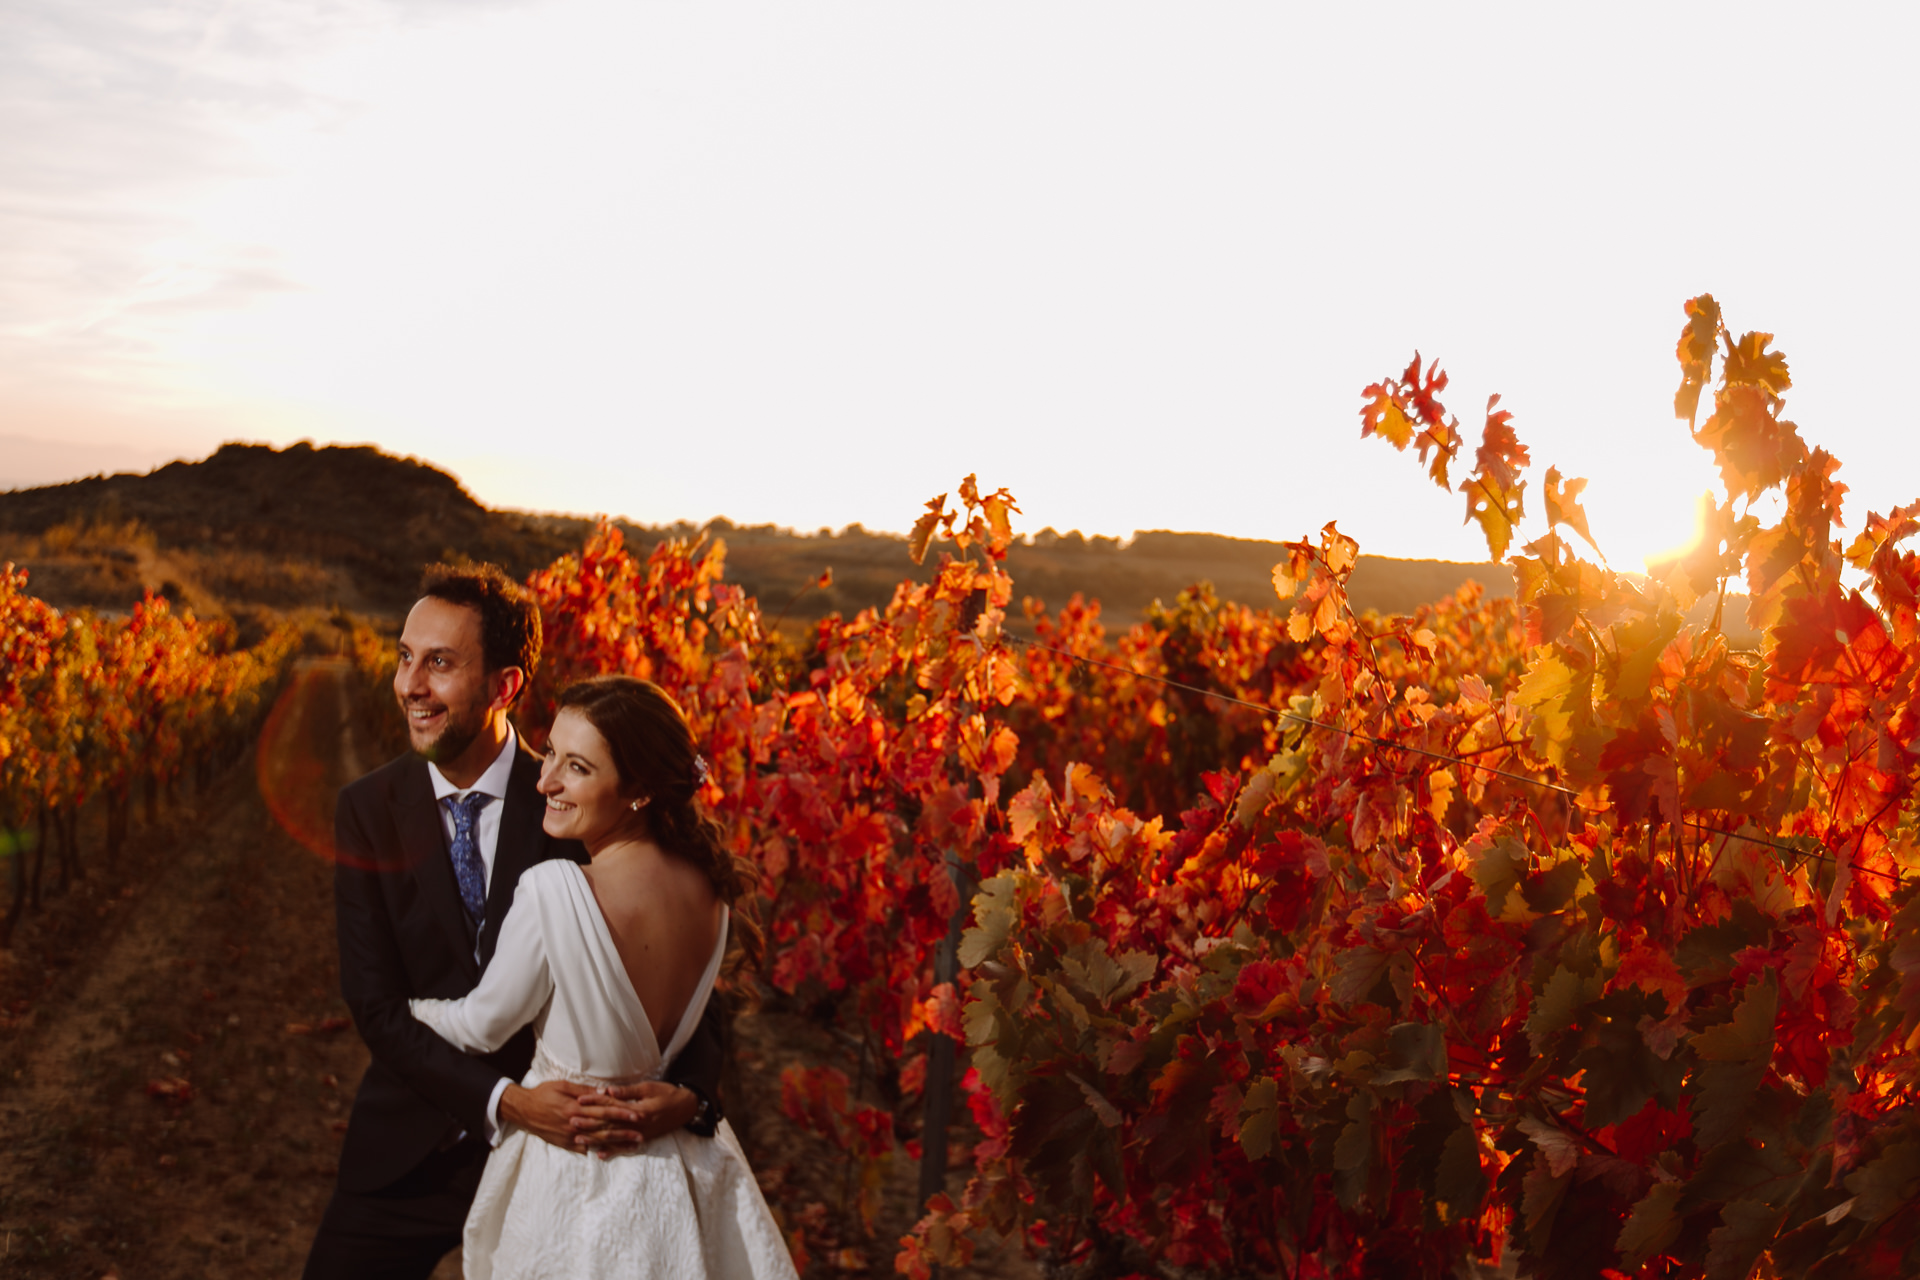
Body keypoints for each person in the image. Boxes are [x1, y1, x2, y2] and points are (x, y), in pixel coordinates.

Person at [304, 564, 728, 1280]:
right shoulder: (367, 809)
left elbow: (688, 989)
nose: (411, 684)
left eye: (439, 663)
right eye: (406, 657)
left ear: (505, 686)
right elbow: (374, 1006)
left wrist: (690, 1095)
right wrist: (509, 1103)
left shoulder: (575, 802)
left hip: (567, 1162)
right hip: (407, 1153)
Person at [409, 675, 797, 1278]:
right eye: (552, 754)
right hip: (679, 1170)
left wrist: (408, 1008)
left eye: (578, 768)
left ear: (638, 789)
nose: (546, 781)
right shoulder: (711, 892)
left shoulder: (555, 890)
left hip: (573, 1162)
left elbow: (483, 1026)